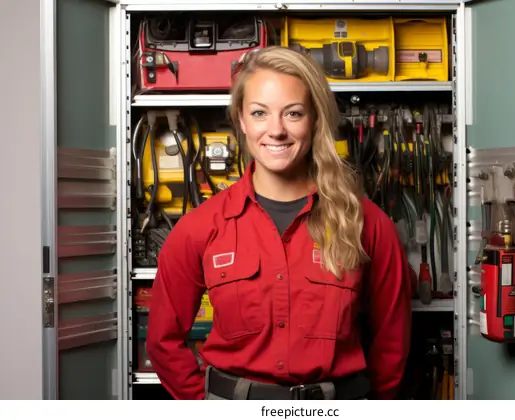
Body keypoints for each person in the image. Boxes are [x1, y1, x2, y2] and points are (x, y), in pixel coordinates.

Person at [145, 46, 413, 400]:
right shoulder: (200, 229)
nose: (276, 131)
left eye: (293, 114)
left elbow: (391, 345)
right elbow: (163, 342)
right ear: (241, 120)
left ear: (315, 119)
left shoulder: (369, 226)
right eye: (259, 113)